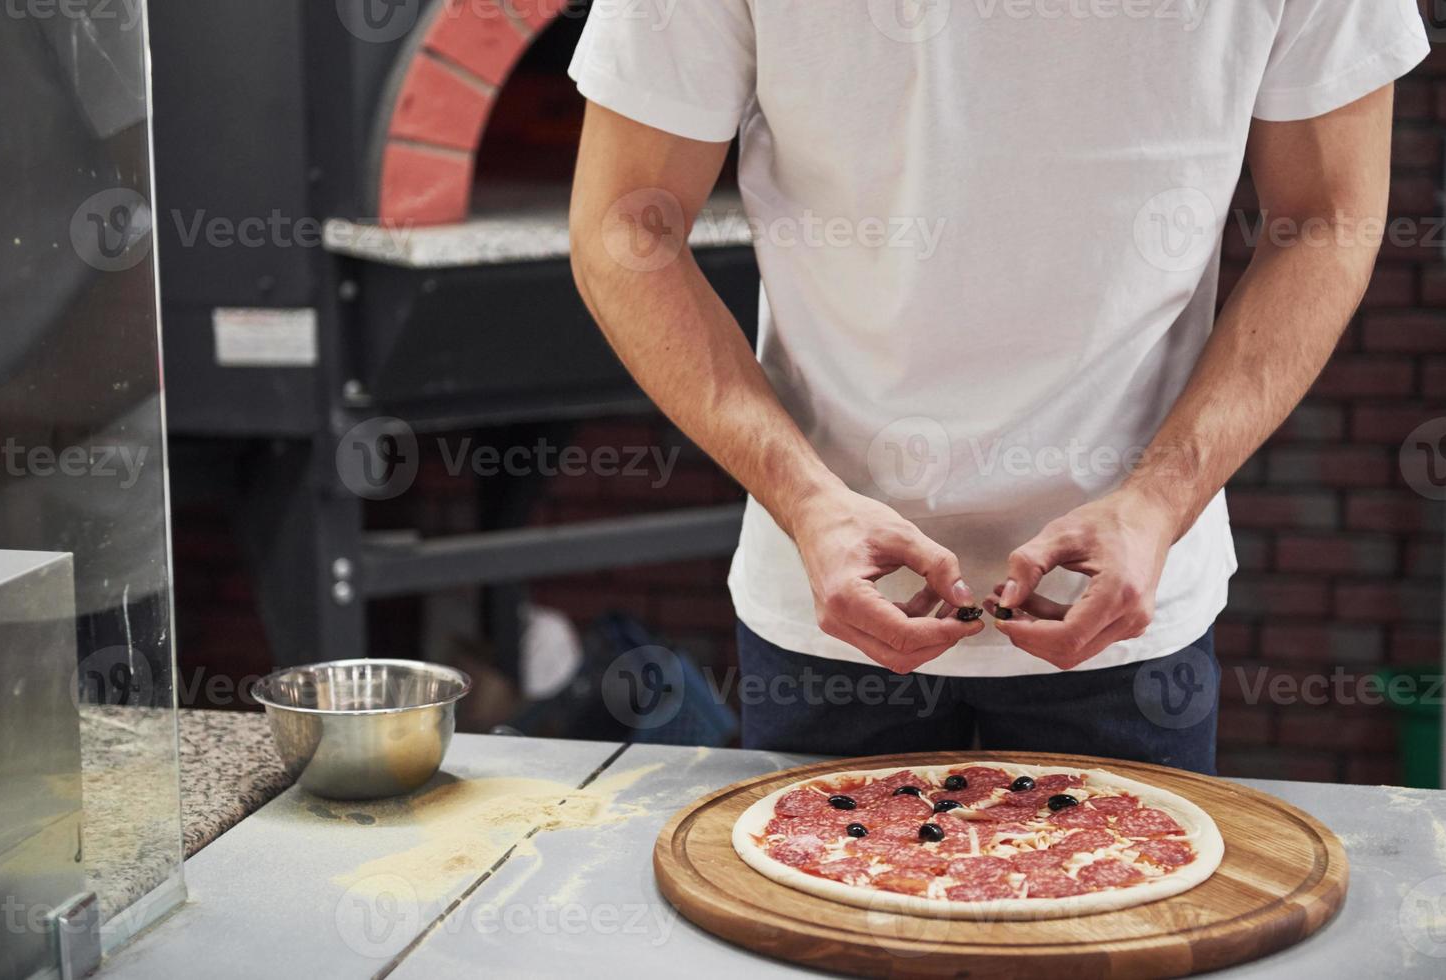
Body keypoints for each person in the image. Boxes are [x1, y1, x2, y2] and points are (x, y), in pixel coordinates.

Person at [566, 1, 1430, 773]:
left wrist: (1159, 503)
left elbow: (1325, 218)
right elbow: (626, 223)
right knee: (828, 952)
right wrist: (807, 502)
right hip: (829, 598)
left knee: (1113, 950)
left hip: (1128, 605)